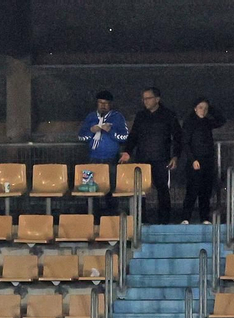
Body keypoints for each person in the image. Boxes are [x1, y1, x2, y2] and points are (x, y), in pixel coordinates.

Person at [120, 87, 182, 223]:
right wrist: (128, 152)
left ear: (157, 99)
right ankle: (141, 219)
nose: (145, 101)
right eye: (144, 99)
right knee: (140, 190)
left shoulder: (169, 115)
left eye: (148, 98)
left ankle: (164, 220)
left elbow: (177, 137)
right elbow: (133, 136)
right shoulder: (141, 116)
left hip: (161, 158)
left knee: (162, 189)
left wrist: (175, 156)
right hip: (142, 158)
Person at [179, 98, 225, 224]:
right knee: (192, 190)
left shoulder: (207, 122)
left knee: (206, 190)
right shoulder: (189, 122)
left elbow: (221, 121)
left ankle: (204, 217)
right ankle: (185, 217)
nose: (203, 111)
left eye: (205, 108)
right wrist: (193, 159)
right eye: (200, 107)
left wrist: (212, 108)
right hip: (195, 161)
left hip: (207, 160)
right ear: (195, 108)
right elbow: (185, 143)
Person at [78, 90, 129, 165]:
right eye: (100, 102)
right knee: (91, 177)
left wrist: (110, 131)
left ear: (110, 104)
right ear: (97, 103)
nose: (103, 105)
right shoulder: (90, 117)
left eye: (106, 103)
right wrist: (91, 131)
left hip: (112, 159)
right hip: (92, 158)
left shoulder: (117, 117)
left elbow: (125, 137)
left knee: (111, 176)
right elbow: (80, 137)